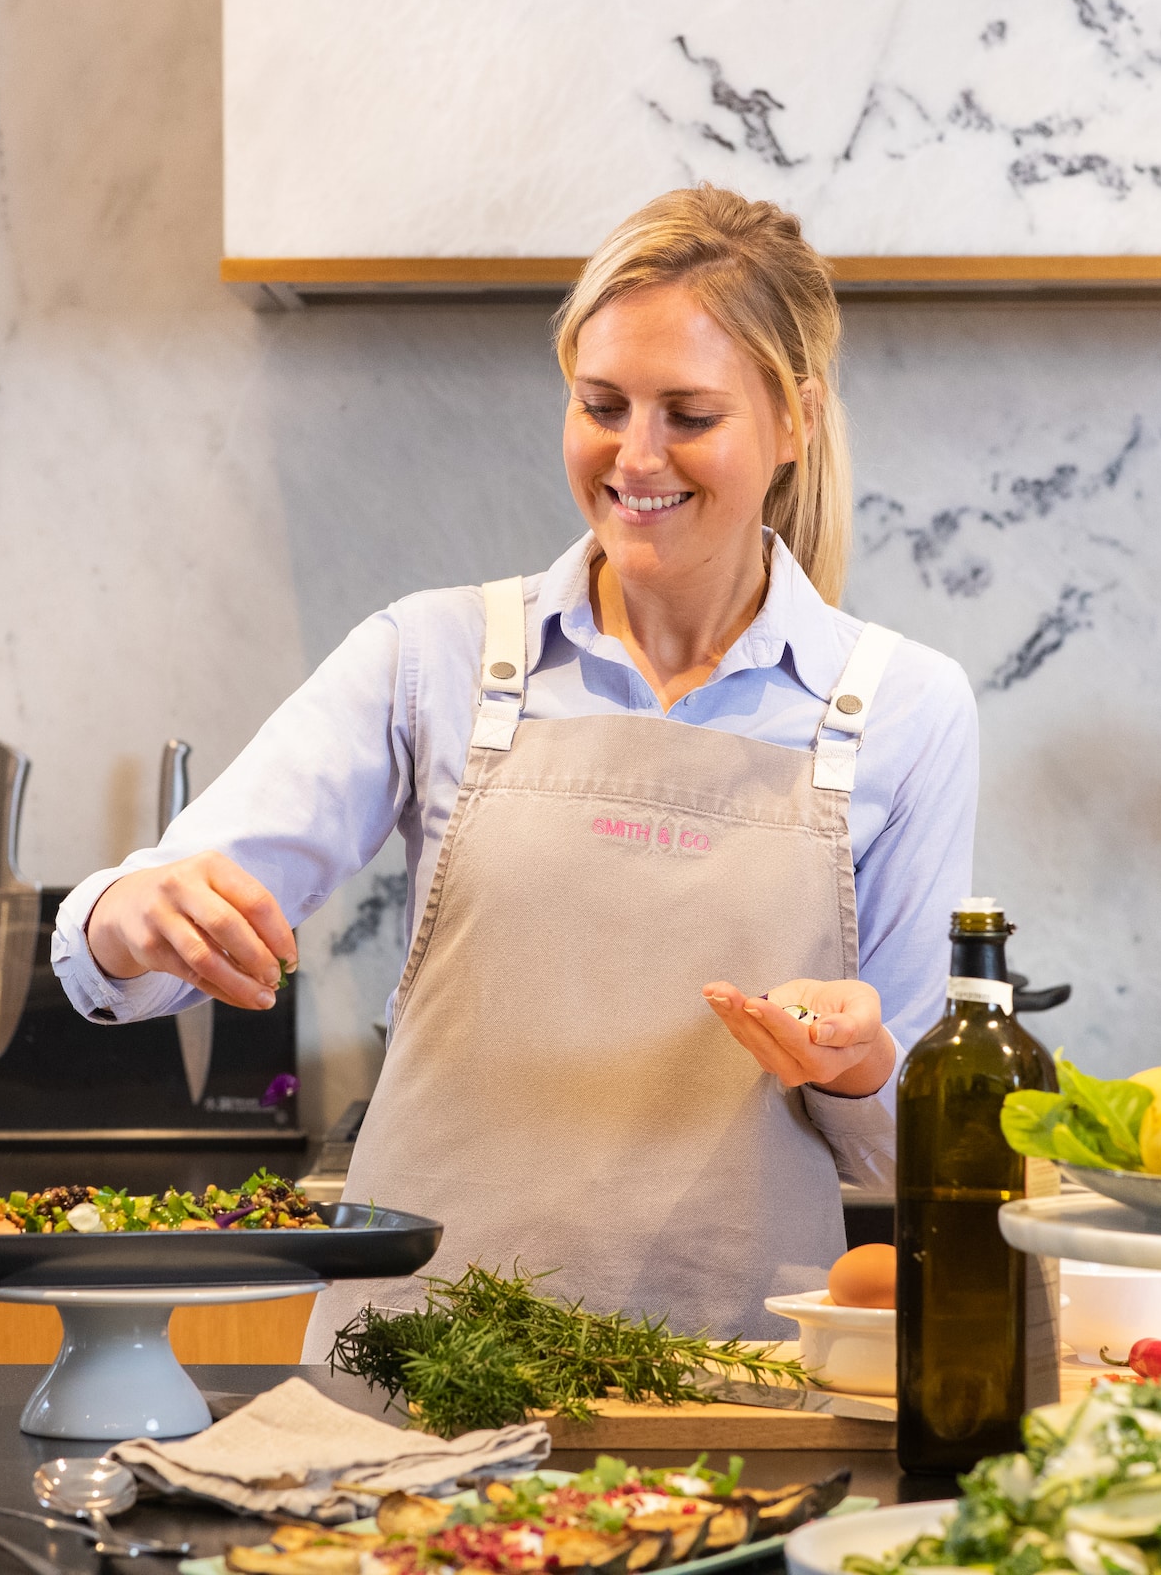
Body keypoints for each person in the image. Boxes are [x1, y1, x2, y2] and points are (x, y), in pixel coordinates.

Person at [51, 185, 977, 1350]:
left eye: (690, 414)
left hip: (730, 1386)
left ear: (795, 420)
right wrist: (133, 916)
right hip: (416, 1371)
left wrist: (859, 1066)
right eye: (602, 405)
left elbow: (911, 1149)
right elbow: (118, 950)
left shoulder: (902, 709)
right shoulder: (431, 657)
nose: (637, 455)